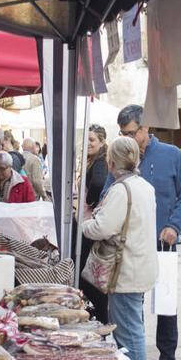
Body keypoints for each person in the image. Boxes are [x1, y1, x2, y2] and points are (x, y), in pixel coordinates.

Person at [107, 105, 181, 360]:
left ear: (145, 128)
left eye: (131, 133)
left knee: (166, 304)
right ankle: (136, 352)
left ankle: (167, 355)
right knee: (134, 306)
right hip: (129, 247)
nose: (127, 138)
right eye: (122, 133)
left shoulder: (172, 155)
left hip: (163, 243)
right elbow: (109, 192)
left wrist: (174, 225)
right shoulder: (123, 155)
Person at [82, 137, 157, 360]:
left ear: (111, 163)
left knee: (129, 334)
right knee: (133, 327)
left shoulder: (121, 190)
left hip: (126, 271)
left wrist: (85, 224)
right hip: (139, 265)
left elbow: (103, 228)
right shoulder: (145, 186)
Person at [78, 124, 110, 322]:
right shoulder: (97, 160)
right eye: (86, 139)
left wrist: (89, 201)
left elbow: (98, 183)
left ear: (102, 142)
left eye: (92, 140)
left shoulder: (100, 163)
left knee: (88, 275)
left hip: (92, 224)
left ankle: (100, 318)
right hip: (92, 222)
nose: (88, 143)